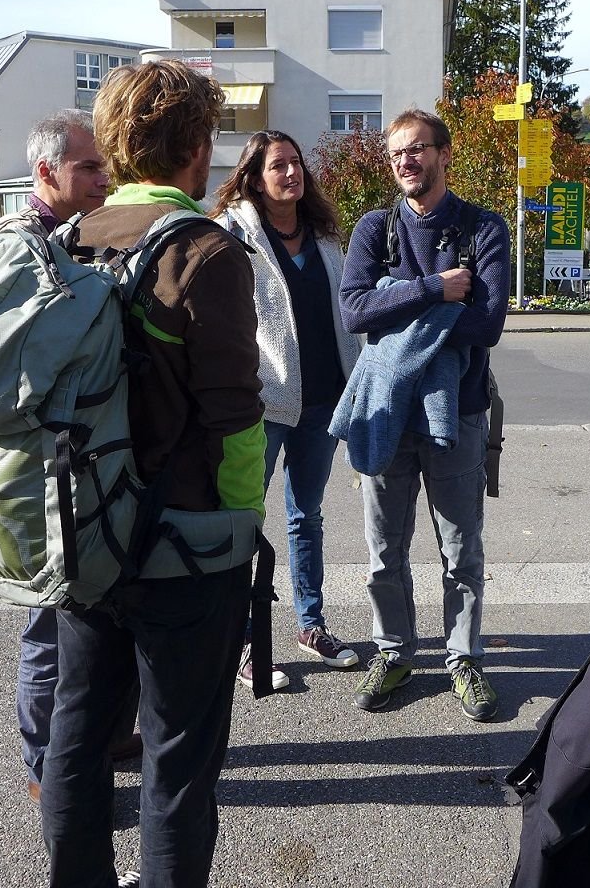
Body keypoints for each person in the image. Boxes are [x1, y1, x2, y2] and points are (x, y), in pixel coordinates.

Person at [41, 61, 265, 888]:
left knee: (78, 732)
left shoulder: (69, 240)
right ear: (197, 145)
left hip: (81, 532)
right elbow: (235, 419)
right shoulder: (205, 253)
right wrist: (241, 532)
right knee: (178, 758)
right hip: (182, 544)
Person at [337, 108, 510, 721]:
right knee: (384, 549)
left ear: (443, 155)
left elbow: (487, 323)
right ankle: (395, 651)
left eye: (416, 150)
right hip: (383, 411)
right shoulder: (374, 228)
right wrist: (433, 289)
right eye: (396, 154)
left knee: (461, 548)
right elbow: (356, 310)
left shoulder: (482, 229)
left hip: (457, 412)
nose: (405, 162)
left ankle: (464, 659)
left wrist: (396, 304)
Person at [11, 110, 142, 805]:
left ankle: (112, 734)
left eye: (103, 166)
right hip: (45, 469)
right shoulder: (22, 252)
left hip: (86, 461)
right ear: (45, 173)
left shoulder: (75, 240)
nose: (103, 177)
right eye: (88, 167)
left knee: (100, 608)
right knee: (48, 625)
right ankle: (44, 771)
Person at [211, 130, 362, 689]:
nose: (291, 173)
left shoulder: (324, 236)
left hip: (324, 399)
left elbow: (347, 310)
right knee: (246, 520)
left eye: (296, 163)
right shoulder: (233, 235)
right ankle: (249, 639)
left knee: (306, 516)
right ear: (255, 176)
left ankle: (311, 624)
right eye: (278, 165)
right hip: (264, 403)